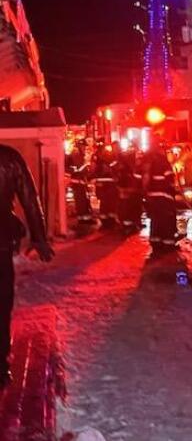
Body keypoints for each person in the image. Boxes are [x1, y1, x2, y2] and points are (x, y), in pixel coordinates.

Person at [0, 145, 54, 387]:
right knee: (1, 303)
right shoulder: (9, 157)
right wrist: (39, 237)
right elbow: (30, 198)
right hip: (1, 240)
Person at [143, 140, 179, 253]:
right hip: (164, 197)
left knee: (156, 221)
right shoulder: (164, 162)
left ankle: (156, 243)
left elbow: (146, 181)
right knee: (167, 220)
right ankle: (168, 244)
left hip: (152, 198)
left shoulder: (151, 162)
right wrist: (174, 189)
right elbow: (169, 180)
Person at [116, 145, 144, 234]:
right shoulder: (127, 168)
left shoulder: (128, 166)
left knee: (132, 208)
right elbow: (125, 179)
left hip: (133, 191)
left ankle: (133, 224)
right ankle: (128, 226)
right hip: (130, 191)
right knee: (127, 209)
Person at [92, 140, 120, 229]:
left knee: (107, 202)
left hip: (105, 182)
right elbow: (114, 167)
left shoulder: (97, 156)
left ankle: (107, 220)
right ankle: (108, 220)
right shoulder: (110, 156)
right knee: (108, 202)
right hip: (109, 182)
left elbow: (93, 169)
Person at [65, 139, 93, 225]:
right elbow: (79, 168)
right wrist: (86, 166)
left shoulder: (80, 154)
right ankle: (82, 220)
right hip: (77, 181)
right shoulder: (76, 154)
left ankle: (86, 218)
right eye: (84, 146)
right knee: (80, 201)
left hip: (80, 181)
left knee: (84, 200)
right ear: (80, 145)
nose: (85, 148)